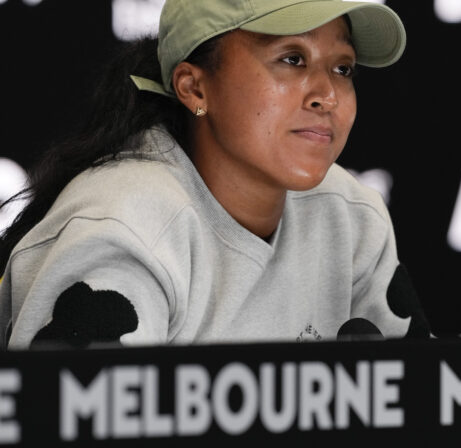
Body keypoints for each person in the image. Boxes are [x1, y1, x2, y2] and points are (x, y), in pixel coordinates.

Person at [0, 0, 429, 349]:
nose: (328, 95)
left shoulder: (351, 216)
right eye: (293, 59)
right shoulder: (125, 226)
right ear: (194, 88)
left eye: (343, 68)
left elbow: (423, 408)